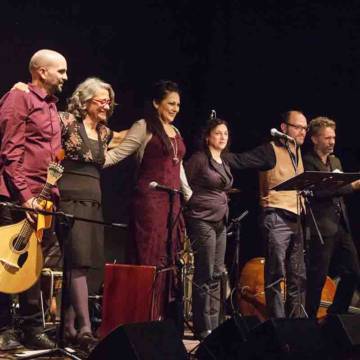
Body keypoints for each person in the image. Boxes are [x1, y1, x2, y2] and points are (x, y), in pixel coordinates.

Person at [104, 80, 192, 331]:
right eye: (170, 103)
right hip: (150, 202)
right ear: (156, 103)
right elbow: (120, 153)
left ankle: (160, 319)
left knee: (168, 259)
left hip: (172, 203)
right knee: (150, 256)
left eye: (178, 104)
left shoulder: (176, 133)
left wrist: (188, 194)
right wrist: (90, 160)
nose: (175, 108)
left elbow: (179, 166)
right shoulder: (144, 126)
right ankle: (142, 318)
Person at [0, 49, 67, 350]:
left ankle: (30, 327)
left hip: (44, 198)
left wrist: (48, 195)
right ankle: (4, 328)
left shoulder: (53, 108)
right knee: (7, 262)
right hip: (17, 197)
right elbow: (10, 152)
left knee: (34, 265)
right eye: (61, 71)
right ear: (41, 71)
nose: (65, 77)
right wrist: (25, 197)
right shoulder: (20, 97)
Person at [56, 77, 128, 350]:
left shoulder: (104, 133)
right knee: (77, 261)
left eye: (109, 101)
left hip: (94, 201)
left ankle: (68, 327)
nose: (106, 105)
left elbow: (126, 139)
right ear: (85, 101)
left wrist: (145, 126)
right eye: (101, 100)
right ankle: (85, 329)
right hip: (69, 198)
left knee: (89, 264)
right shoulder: (65, 122)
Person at [224, 110, 308, 318]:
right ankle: (278, 324)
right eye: (298, 127)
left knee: (297, 277)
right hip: (276, 217)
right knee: (276, 274)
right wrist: (216, 154)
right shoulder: (270, 151)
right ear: (284, 128)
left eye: (305, 128)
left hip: (297, 219)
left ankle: (296, 325)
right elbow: (241, 161)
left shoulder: (296, 152)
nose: (302, 132)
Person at [303, 116, 360, 318]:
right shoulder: (308, 161)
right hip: (321, 226)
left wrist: (343, 187)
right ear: (315, 139)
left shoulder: (335, 160)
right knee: (317, 277)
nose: (332, 141)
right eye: (327, 138)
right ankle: (308, 320)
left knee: (353, 272)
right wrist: (350, 187)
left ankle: (336, 314)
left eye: (333, 137)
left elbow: (336, 187)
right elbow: (319, 192)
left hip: (340, 224)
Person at [184, 118, 233, 340]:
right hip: (201, 219)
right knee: (204, 271)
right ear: (207, 137)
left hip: (220, 221)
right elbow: (184, 182)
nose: (222, 137)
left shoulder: (223, 161)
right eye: (218, 133)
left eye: (225, 133)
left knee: (217, 272)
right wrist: (193, 203)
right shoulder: (199, 159)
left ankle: (215, 324)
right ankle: (202, 325)